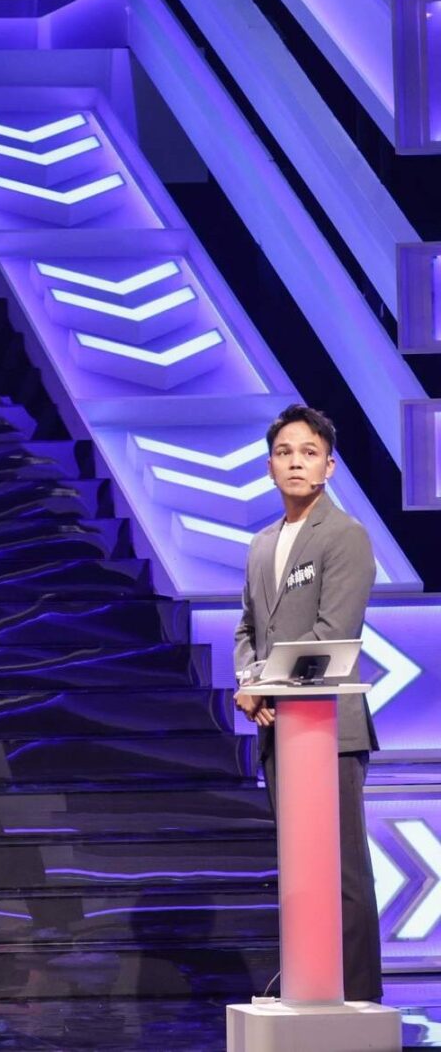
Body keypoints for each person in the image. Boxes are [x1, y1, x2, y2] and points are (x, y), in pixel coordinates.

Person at [233, 404, 380, 1004]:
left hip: (329, 732)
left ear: (329, 466)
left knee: (342, 872)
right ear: (270, 466)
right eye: (285, 452)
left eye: (309, 452)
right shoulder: (262, 543)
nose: (296, 462)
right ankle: (308, 988)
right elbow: (248, 629)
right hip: (280, 731)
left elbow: (332, 633)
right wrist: (250, 682)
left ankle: (360, 998)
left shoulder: (345, 535)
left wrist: (263, 686)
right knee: (298, 869)